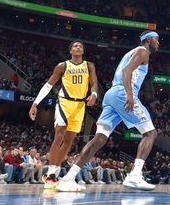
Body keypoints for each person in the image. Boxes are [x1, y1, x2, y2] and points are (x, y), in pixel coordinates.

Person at [55, 31, 161, 192]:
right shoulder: (143, 51)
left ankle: (68, 178)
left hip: (112, 95)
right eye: (156, 39)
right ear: (148, 40)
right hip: (122, 93)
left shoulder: (131, 52)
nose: (158, 42)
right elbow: (127, 72)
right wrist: (130, 95)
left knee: (99, 139)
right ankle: (135, 175)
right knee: (150, 133)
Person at [29, 40, 98, 189]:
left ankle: (57, 170)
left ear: (83, 51)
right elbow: (48, 85)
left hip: (80, 105)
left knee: (69, 140)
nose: (78, 47)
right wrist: (35, 103)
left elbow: (94, 84)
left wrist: (94, 94)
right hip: (64, 102)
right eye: (75, 46)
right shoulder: (62, 66)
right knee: (59, 135)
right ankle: (51, 171)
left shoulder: (89, 65)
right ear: (71, 51)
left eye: (80, 46)